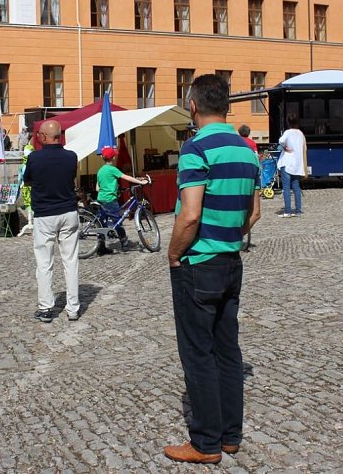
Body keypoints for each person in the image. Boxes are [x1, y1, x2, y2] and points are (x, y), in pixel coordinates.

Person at [164, 74, 260, 465]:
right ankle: (230, 436)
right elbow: (254, 212)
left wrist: (174, 253)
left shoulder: (195, 149)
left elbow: (189, 215)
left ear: (193, 106)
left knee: (198, 352)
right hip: (230, 261)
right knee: (227, 349)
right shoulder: (247, 150)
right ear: (227, 105)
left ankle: (205, 442)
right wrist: (227, 237)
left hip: (198, 262)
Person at [22, 120, 80, 323]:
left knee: (45, 263)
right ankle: (73, 308)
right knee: (70, 261)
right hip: (68, 211)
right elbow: (73, 179)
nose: (37, 137)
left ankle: (46, 308)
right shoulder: (71, 157)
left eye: (39, 134)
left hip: (45, 214)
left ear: (44, 136)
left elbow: (27, 180)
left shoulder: (34, 158)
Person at [94, 146, 148, 255]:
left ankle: (101, 246)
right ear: (113, 157)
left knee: (102, 223)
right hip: (110, 199)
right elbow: (125, 177)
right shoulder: (112, 169)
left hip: (101, 199)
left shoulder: (100, 171)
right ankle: (124, 242)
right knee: (118, 220)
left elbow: (97, 188)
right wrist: (140, 182)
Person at [276, 113, 306, 218]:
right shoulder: (301, 134)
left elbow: (280, 141)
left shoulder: (288, 132)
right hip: (297, 164)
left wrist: (284, 148)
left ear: (288, 122)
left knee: (286, 188)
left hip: (287, 162)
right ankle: (298, 211)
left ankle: (287, 211)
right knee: (296, 187)